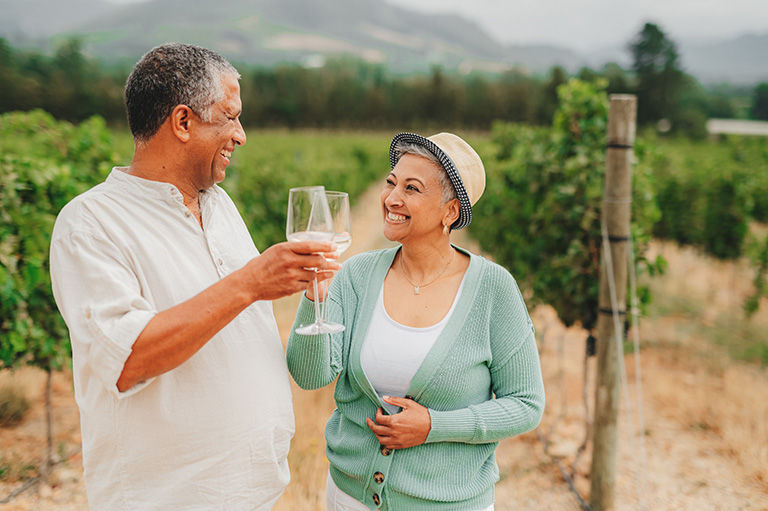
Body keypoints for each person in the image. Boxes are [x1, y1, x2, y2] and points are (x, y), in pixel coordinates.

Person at [50, 43, 338, 510]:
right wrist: (250, 282)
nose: (241, 135)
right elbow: (127, 360)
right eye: (230, 117)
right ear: (183, 122)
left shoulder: (219, 204)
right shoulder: (91, 223)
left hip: (253, 495)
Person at [286, 132, 546, 510]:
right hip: (349, 497)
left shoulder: (494, 289)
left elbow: (526, 404)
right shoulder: (356, 274)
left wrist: (433, 427)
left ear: (451, 212)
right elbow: (310, 377)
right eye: (391, 183)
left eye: (412, 188)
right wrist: (315, 295)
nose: (392, 198)